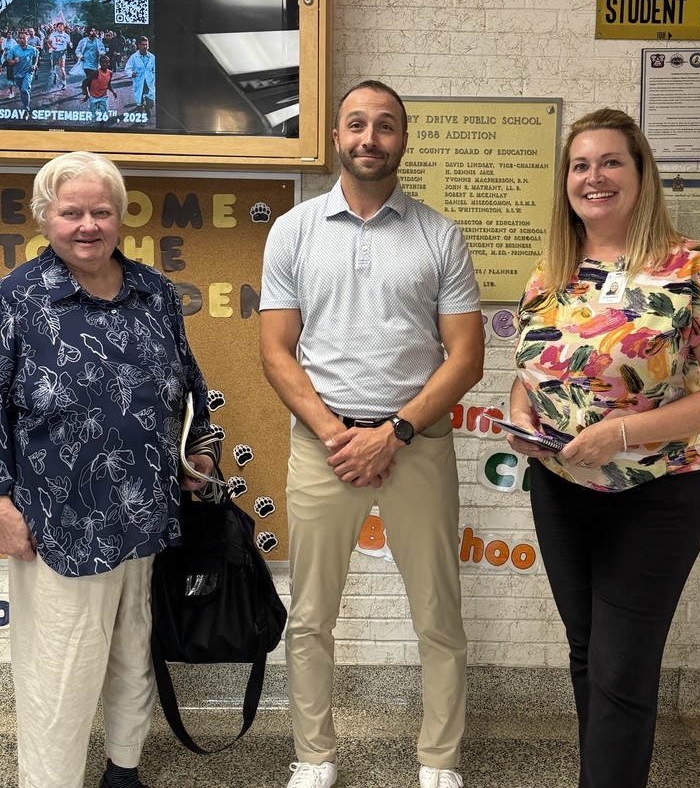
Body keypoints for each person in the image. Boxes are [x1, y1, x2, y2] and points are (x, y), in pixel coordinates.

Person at [507, 108, 700, 788]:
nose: (594, 177)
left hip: (658, 495)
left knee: (621, 668)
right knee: (589, 654)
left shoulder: (692, 268)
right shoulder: (550, 271)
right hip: (561, 489)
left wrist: (618, 433)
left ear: (641, 175)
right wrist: (520, 409)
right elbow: (530, 368)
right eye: (580, 165)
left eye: (610, 161)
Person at [260, 79, 484, 788]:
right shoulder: (292, 230)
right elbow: (275, 350)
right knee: (312, 615)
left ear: (403, 141)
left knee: (437, 614)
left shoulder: (438, 234)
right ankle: (314, 754)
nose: (369, 137)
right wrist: (336, 433)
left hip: (416, 445)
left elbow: (467, 356)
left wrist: (394, 431)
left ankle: (440, 759)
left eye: (385, 126)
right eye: (356, 124)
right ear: (336, 137)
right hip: (323, 446)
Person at [0, 151, 221, 788]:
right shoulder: (17, 301)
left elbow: (190, 388)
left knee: (134, 655)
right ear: (45, 218)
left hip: (147, 515)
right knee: (59, 674)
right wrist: (0, 503)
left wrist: (198, 452)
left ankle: (124, 770)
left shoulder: (153, 291)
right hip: (58, 525)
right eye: (72, 212)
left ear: (122, 218)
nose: (88, 224)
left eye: (102, 211)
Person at [6, 29, 39, 118]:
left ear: (27, 39)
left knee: (24, 89)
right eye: (20, 38)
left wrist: (35, 65)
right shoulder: (14, 49)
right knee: (22, 90)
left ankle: (26, 109)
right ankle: (26, 95)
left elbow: (36, 55)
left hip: (28, 72)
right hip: (17, 74)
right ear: (18, 39)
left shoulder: (32, 49)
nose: (22, 40)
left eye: (24, 38)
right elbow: (9, 61)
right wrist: (14, 61)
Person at [82, 53, 118, 120]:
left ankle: (102, 128)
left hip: (103, 96)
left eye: (106, 62)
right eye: (103, 62)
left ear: (109, 63)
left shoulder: (110, 73)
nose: (104, 64)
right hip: (93, 96)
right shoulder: (96, 73)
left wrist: (113, 91)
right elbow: (84, 82)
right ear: (100, 63)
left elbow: (108, 84)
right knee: (92, 115)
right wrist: (87, 95)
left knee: (104, 115)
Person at [125, 36, 156, 111]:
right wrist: (131, 73)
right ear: (139, 45)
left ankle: (147, 107)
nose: (145, 46)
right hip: (139, 81)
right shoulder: (134, 57)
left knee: (151, 103)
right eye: (143, 44)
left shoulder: (152, 57)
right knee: (140, 102)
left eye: (146, 44)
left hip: (149, 82)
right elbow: (127, 68)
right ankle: (141, 117)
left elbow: (155, 69)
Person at [75, 26, 106, 95]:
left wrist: (99, 52)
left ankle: (84, 84)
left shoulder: (98, 42)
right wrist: (81, 56)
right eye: (92, 31)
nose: (94, 32)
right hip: (86, 62)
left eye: (95, 31)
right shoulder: (83, 41)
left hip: (95, 63)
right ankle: (91, 93)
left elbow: (103, 51)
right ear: (89, 32)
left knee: (93, 78)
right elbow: (77, 51)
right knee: (90, 76)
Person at [47, 20, 72, 89]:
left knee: (62, 68)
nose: (60, 28)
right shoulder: (53, 34)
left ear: (63, 28)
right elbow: (48, 42)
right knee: (53, 66)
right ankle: (55, 75)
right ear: (56, 28)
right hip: (54, 52)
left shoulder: (66, 36)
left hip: (62, 52)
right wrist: (51, 47)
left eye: (62, 27)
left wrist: (70, 44)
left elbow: (69, 43)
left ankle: (64, 83)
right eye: (59, 27)